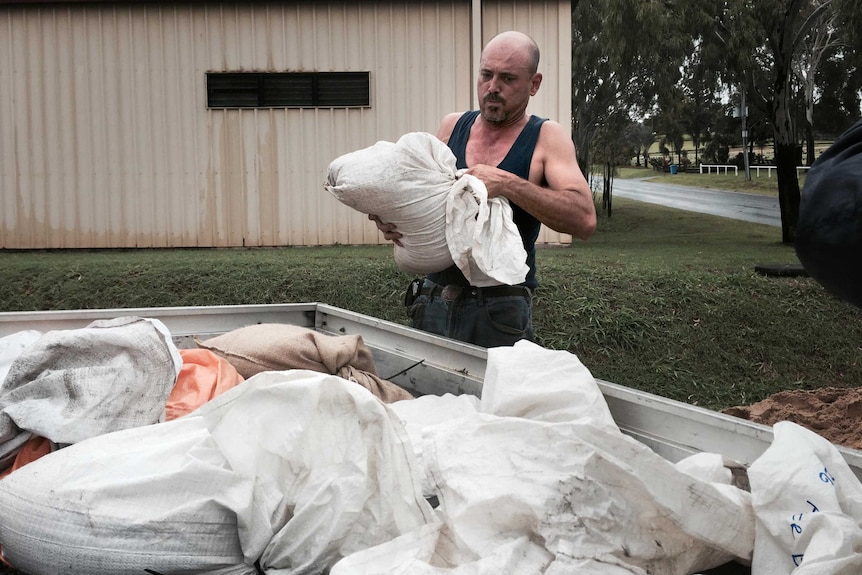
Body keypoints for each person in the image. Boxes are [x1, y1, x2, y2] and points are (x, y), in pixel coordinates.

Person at [370, 30, 597, 347]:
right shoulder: (452, 126)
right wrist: (394, 219)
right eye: (486, 75)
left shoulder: (547, 137)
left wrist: (507, 183)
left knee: (496, 398)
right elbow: (421, 195)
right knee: (427, 396)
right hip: (431, 300)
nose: (493, 87)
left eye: (507, 78)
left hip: (500, 311)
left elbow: (584, 220)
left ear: (534, 84)